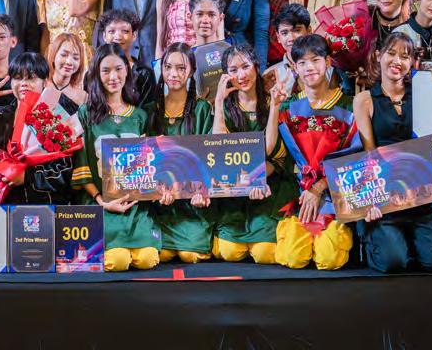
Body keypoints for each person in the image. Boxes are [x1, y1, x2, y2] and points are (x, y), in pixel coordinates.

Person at [353, 32, 432, 272]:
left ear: (413, 63)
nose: (397, 61)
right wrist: (371, 199)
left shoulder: (425, 91)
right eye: (391, 53)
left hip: (424, 196)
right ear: (379, 56)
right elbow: (369, 154)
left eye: (405, 56)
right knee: (393, 262)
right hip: (388, 198)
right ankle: (389, 241)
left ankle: (418, 240)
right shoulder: (364, 99)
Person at [71, 43, 161, 271]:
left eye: (119, 69)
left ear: (127, 70)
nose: (113, 77)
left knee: (147, 259)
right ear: (96, 74)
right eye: (106, 70)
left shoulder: (140, 116)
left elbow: (150, 169)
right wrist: (103, 202)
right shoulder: (86, 114)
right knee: (118, 261)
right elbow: (82, 166)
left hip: (135, 205)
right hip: (101, 203)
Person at [273, 35, 357, 270]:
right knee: (293, 257)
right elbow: (276, 153)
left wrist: (319, 187)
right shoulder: (288, 107)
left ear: (328, 62)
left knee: (329, 260)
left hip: (336, 195)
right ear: (295, 68)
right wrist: (273, 107)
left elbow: (356, 158)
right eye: (302, 62)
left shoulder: (349, 105)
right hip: (298, 194)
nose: (309, 67)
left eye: (315, 60)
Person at [0, 52, 72, 205]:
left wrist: (27, 176)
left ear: (45, 82)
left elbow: (66, 172)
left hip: (41, 207)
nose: (23, 83)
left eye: (31, 78)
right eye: (18, 78)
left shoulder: (56, 120)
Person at [210, 44, 291, 264]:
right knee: (229, 252)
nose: (241, 75)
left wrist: (274, 107)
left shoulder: (273, 100)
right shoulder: (225, 106)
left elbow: (270, 150)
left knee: (266, 254)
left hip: (266, 188)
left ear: (256, 66)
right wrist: (219, 101)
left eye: (245, 66)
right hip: (233, 192)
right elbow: (219, 147)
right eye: (233, 70)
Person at [150, 43, 216, 263]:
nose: (173, 74)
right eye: (168, 67)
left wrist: (202, 191)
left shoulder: (201, 108)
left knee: (190, 255)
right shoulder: (151, 109)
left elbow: (209, 157)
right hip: (160, 204)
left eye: (181, 68)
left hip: (192, 206)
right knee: (160, 254)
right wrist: (157, 191)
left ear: (191, 71)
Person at [96, 9, 158, 107]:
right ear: (104, 36)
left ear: (134, 35)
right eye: (112, 31)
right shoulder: (95, 71)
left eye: (124, 31)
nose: (118, 36)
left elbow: (147, 112)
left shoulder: (144, 74)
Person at [46, 31, 88, 108]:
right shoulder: (40, 86)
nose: (69, 62)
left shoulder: (83, 97)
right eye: (64, 55)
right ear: (53, 56)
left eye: (75, 58)